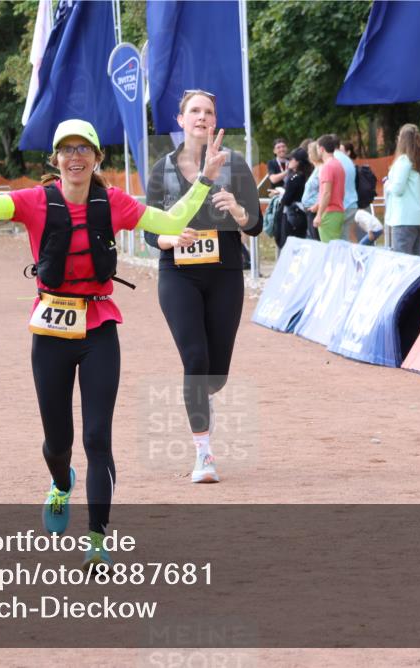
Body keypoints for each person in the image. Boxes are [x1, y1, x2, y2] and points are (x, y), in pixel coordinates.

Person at [0, 103, 224, 566]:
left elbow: (168, 224)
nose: (75, 157)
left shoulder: (113, 203)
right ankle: (61, 481)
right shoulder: (34, 201)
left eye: (83, 149)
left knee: (97, 439)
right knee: (58, 442)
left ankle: (97, 538)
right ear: (55, 159)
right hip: (49, 328)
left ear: (96, 158)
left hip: (99, 327)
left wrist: (204, 180)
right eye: (66, 149)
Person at [144, 90, 262, 484]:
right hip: (178, 274)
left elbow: (256, 224)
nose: (201, 116)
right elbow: (149, 232)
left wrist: (239, 210)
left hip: (226, 272)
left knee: (216, 375)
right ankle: (204, 456)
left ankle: (203, 401)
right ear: (180, 120)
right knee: (194, 361)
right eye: (194, 110)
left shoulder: (236, 164)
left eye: (208, 111)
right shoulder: (162, 168)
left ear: (215, 120)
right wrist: (170, 239)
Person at [384, 124, 420, 256]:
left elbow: (398, 189)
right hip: (419, 218)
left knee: (403, 260)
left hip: (404, 218)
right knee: (416, 258)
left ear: (402, 140)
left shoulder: (404, 161)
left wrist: (388, 184)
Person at [276, 147, 311, 248]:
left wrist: (282, 194)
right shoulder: (307, 175)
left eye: (291, 159)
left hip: (293, 216)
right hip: (304, 215)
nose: (289, 161)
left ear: (298, 162)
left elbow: (286, 200)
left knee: (290, 246)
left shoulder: (294, 178)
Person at [315, 134, 345, 242]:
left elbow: (327, 193)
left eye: (317, 148)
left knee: (329, 249)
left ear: (322, 149)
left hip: (329, 213)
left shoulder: (327, 167)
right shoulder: (338, 164)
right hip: (338, 211)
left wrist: (319, 214)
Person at [334, 138, 359, 242]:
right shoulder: (347, 160)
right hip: (351, 204)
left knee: (336, 243)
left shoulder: (333, 160)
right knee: (346, 241)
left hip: (339, 207)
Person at [301, 141, 322, 241]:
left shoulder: (321, 169)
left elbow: (324, 189)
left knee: (316, 239)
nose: (308, 156)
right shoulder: (316, 168)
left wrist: (317, 205)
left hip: (315, 209)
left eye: (310, 152)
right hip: (310, 209)